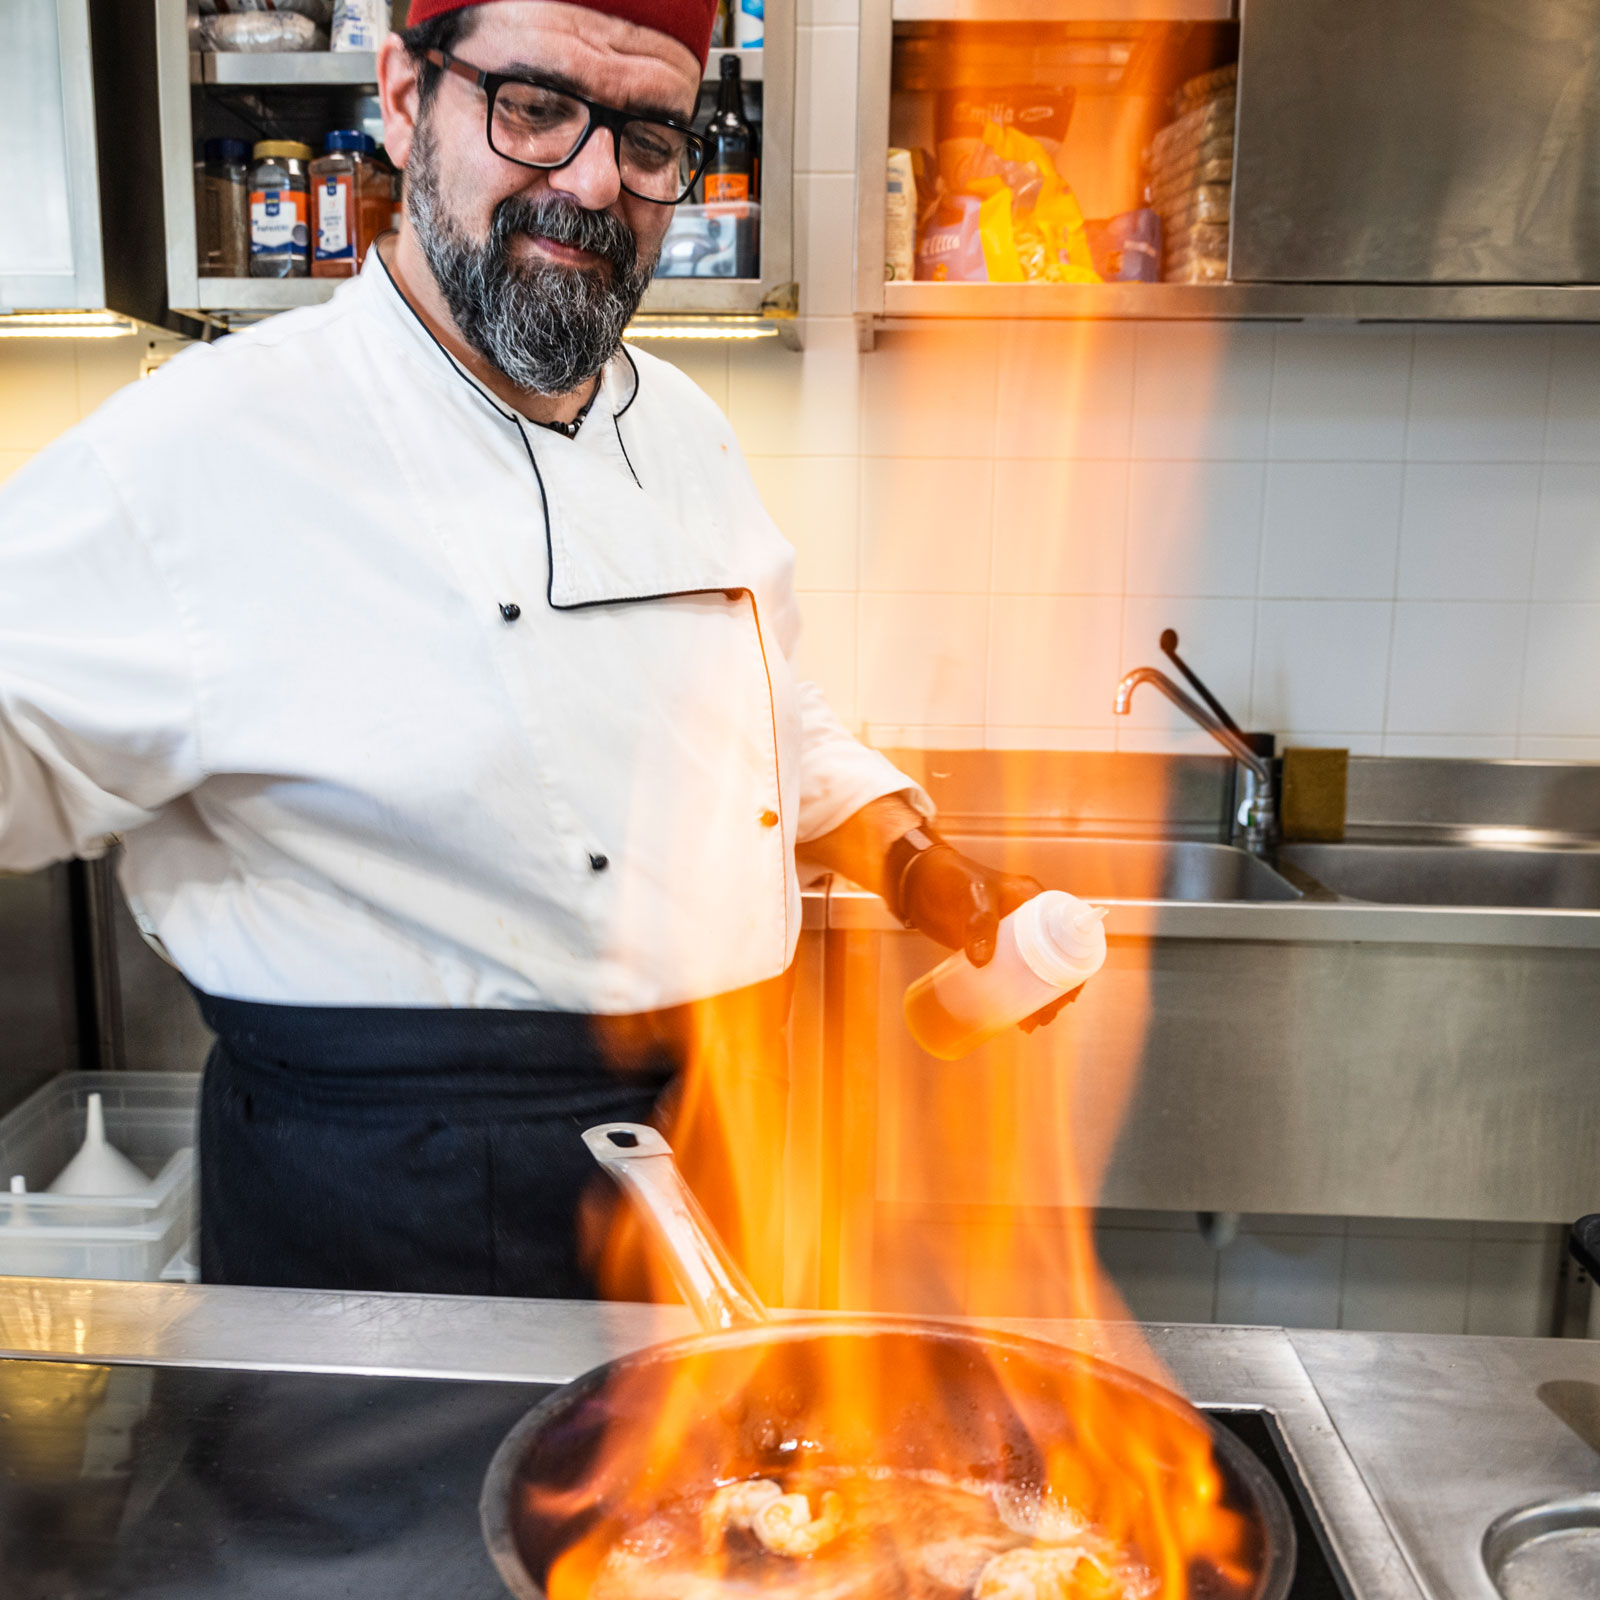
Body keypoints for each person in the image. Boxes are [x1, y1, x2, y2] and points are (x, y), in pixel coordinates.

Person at [0, 0, 1058, 1300]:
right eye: (537, 108)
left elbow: (766, 724)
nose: (597, 180)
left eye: (651, 135)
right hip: (403, 1233)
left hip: (717, 1167)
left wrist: (914, 862)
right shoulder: (197, 449)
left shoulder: (676, 427)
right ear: (403, 100)